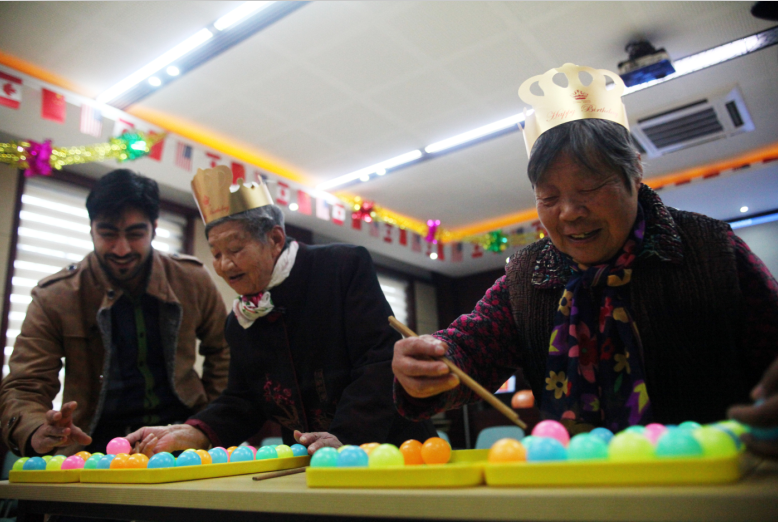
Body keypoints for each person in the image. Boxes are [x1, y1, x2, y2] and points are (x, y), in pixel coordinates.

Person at [392, 63, 778, 458]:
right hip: (576, 487)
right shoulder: (527, 276)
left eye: (590, 188)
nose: (570, 212)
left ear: (635, 173)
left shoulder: (710, 249)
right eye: (549, 198)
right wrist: (429, 360)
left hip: (712, 484)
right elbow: (471, 347)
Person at [126, 166, 435, 456]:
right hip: (313, 460)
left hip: (390, 446)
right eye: (216, 253)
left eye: (235, 249)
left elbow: (378, 361)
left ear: (274, 239)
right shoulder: (239, 322)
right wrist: (190, 432)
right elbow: (242, 401)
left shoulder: (342, 267)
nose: (224, 265)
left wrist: (347, 436)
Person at [0, 169, 230, 457]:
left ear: (154, 228)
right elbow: (25, 383)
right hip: (91, 448)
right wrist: (35, 429)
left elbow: (225, 352)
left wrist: (207, 423)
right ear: (91, 229)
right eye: (108, 234)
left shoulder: (192, 279)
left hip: (185, 440)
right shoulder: (54, 296)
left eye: (135, 234)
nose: (121, 249)